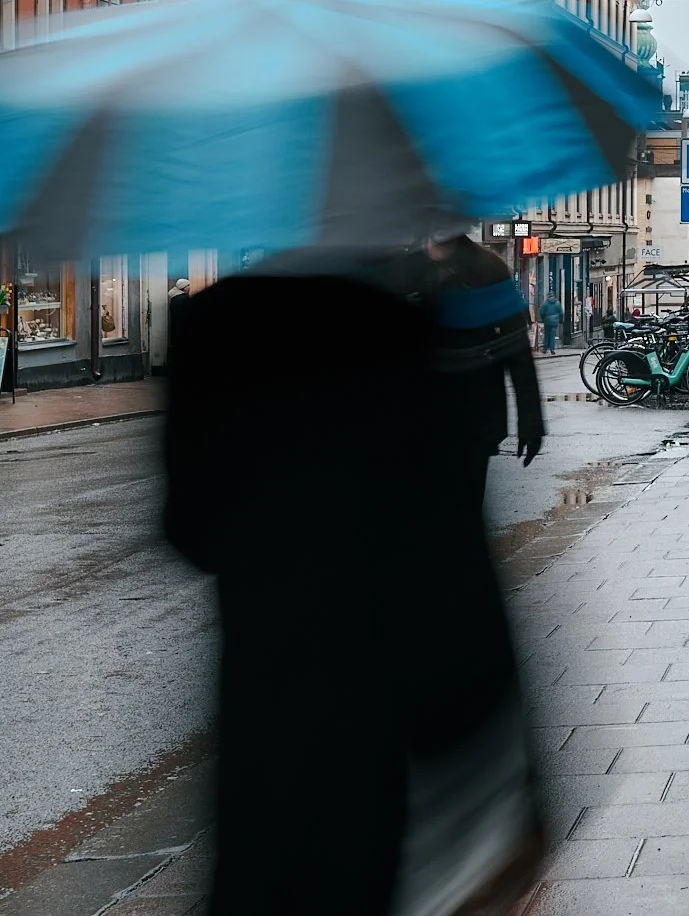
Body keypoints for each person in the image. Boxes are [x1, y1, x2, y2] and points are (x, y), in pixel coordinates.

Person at [162, 248, 546, 914]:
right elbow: (451, 548)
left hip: (263, 697)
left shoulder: (211, 325)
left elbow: (187, 529)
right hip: (372, 702)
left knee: (256, 878)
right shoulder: (395, 328)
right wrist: (509, 768)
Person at [536, 290, 562, 356]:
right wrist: (560, 320)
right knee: (552, 335)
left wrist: (543, 319)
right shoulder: (557, 303)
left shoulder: (545, 303)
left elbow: (541, 312)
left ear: (548, 296)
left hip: (547, 321)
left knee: (546, 335)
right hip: (554, 321)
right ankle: (552, 350)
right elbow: (561, 312)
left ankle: (545, 349)